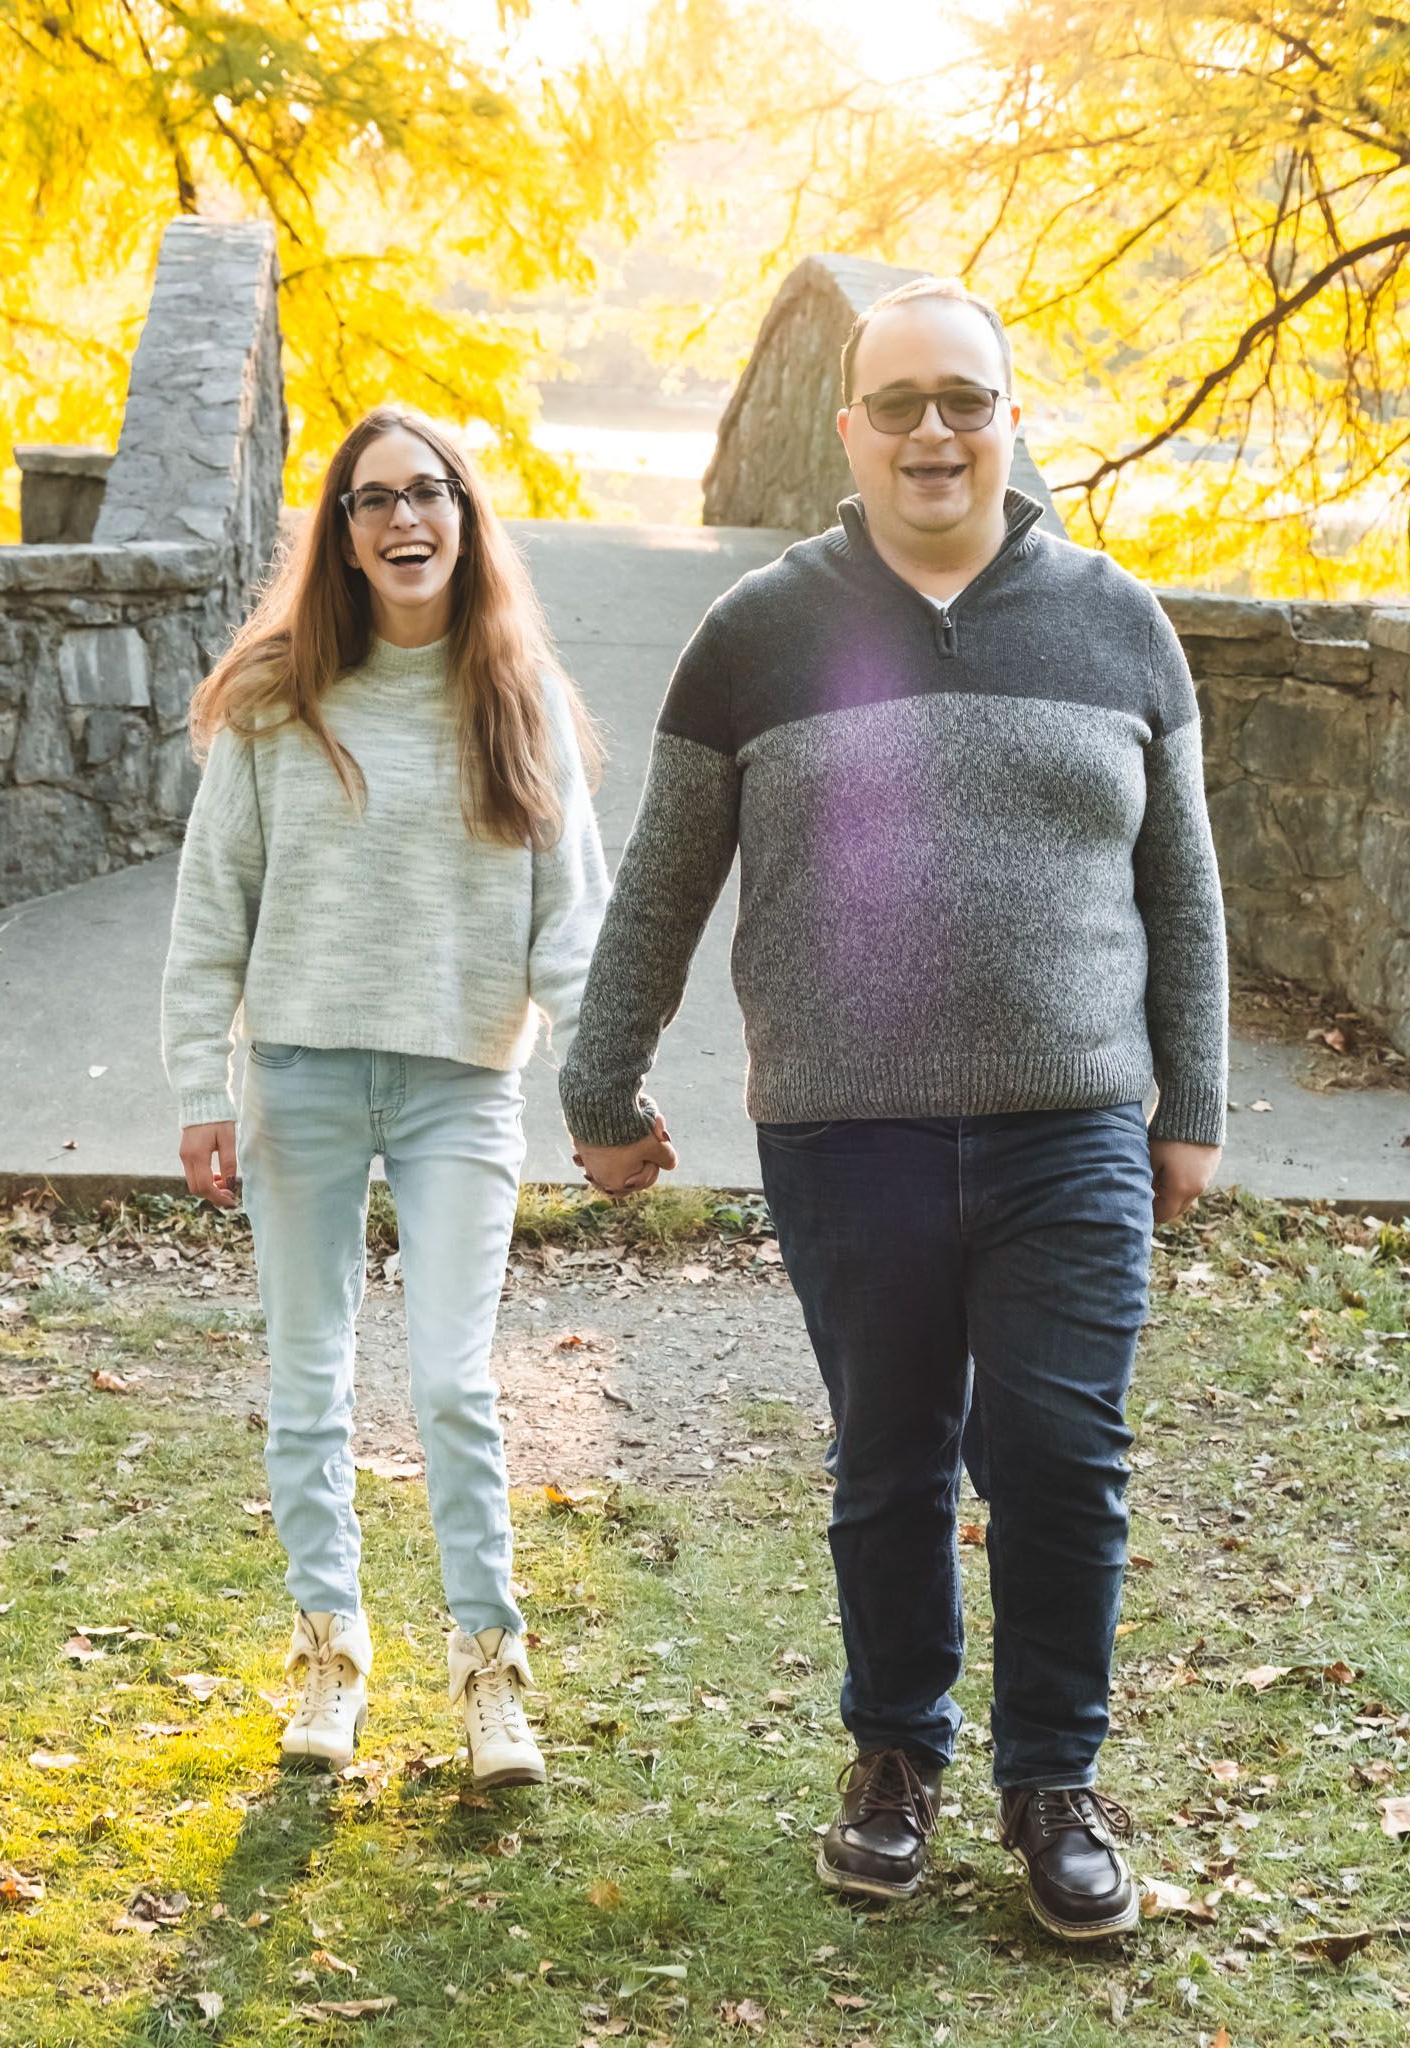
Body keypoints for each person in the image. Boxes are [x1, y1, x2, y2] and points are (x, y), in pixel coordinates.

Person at [559, 278, 1226, 1940]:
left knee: (1063, 1453)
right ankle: (891, 1763)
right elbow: (663, 876)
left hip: (1071, 1122)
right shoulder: (760, 632)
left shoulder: (1119, 623)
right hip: (841, 1128)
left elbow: (1186, 887)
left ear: (1010, 418)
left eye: (966, 399)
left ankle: (1051, 1781)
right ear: (845, 428)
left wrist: (1190, 1100)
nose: (936, 428)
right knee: (888, 1459)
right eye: (901, 402)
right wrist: (599, 1075)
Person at [162, 403, 607, 1783]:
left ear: (466, 521)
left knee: (451, 1382)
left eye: (430, 494)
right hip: (295, 1075)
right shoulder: (273, 698)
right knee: (307, 1382)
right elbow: (209, 908)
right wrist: (200, 1083)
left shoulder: (516, 697)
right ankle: (329, 1660)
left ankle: (490, 1677)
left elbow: (571, 927)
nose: (405, 518)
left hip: (459, 1090)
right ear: (342, 535)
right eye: (373, 500)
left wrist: (603, 1096)